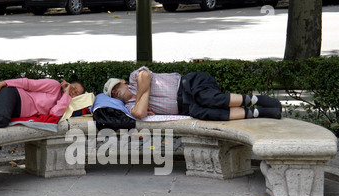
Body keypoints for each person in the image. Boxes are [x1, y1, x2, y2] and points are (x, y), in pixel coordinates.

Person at [103, 66, 282, 121]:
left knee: (208, 98)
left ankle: (257, 99)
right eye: (113, 94)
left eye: (115, 87)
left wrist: (143, 94)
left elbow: (146, 75)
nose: (115, 92)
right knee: (207, 112)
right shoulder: (128, 107)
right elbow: (139, 113)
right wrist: (142, 98)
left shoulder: (135, 77)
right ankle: (260, 112)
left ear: (122, 81)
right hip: (186, 108)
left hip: (189, 84)